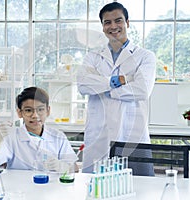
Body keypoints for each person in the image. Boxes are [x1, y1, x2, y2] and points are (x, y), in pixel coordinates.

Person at [77, 2, 156, 175]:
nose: (113, 26)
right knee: (96, 188)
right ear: (103, 27)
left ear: (127, 22)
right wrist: (123, 80)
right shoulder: (93, 57)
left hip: (132, 132)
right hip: (99, 133)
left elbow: (142, 90)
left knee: (139, 188)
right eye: (107, 22)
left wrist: (102, 86)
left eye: (118, 20)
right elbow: (83, 85)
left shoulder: (145, 57)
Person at [0, 87, 78, 170]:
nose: (35, 115)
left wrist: (61, 166)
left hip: (50, 183)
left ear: (48, 111)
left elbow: (75, 168)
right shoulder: (11, 137)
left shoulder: (58, 137)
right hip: (18, 183)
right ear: (19, 113)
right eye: (28, 110)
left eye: (40, 109)